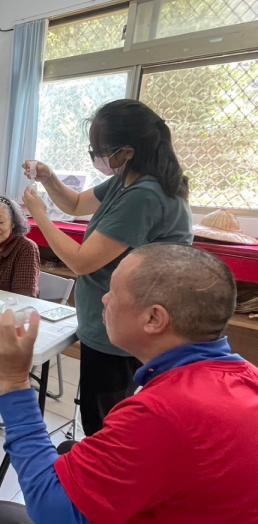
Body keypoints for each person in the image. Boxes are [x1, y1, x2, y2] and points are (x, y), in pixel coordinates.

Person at [0, 244, 258, 524]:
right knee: (69, 451)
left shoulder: (165, 413)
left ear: (154, 318)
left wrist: (14, 381)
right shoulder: (244, 376)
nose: (104, 299)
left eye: (113, 291)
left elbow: (48, 508)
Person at [21, 99, 192, 435]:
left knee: (104, 421)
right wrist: (49, 177)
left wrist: (38, 215)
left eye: (100, 151)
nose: (97, 158)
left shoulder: (145, 194)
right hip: (110, 319)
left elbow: (81, 261)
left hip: (127, 326)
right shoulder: (126, 178)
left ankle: (99, 478)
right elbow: (75, 203)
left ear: (127, 151)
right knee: (100, 410)